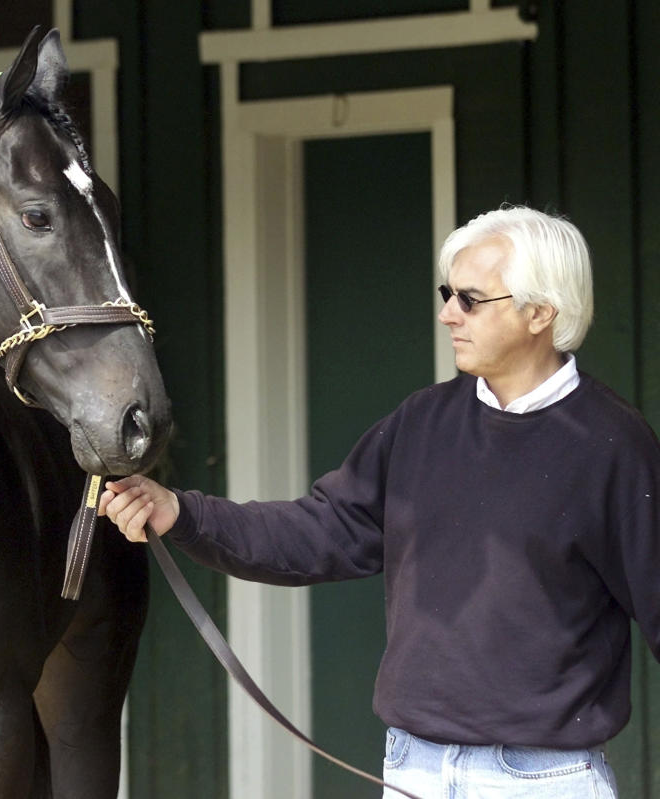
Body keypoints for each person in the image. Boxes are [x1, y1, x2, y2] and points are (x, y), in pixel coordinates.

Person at [99, 205, 660, 798]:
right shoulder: (422, 421)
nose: (447, 314)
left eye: (471, 299)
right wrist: (182, 514)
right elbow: (320, 532)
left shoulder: (612, 446)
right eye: (449, 294)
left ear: (540, 313)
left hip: (543, 779)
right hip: (412, 768)